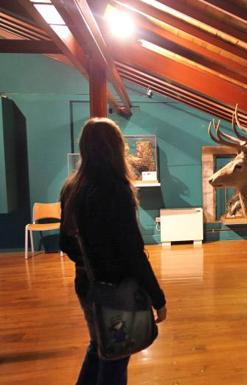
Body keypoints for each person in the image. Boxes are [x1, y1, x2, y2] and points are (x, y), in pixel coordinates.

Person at [59, 117, 167, 385]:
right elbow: (132, 252)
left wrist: (90, 262)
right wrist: (158, 297)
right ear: (116, 147)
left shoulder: (72, 186)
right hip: (117, 289)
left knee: (100, 346)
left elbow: (65, 242)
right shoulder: (115, 189)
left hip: (87, 283)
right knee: (116, 355)